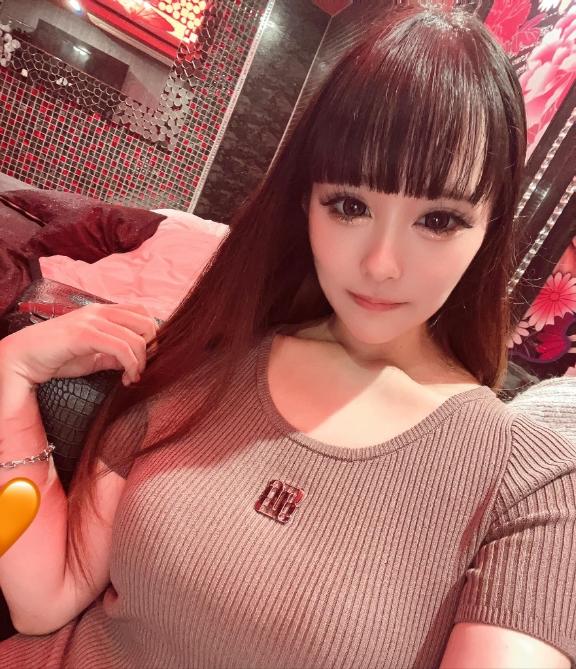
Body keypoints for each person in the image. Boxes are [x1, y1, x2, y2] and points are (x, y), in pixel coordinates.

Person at [0, 5, 574, 669]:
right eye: (350, 206)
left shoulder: (529, 482)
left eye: (439, 220)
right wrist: (9, 377)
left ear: (490, 227)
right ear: (306, 202)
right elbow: (47, 595)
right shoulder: (208, 358)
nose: (382, 264)